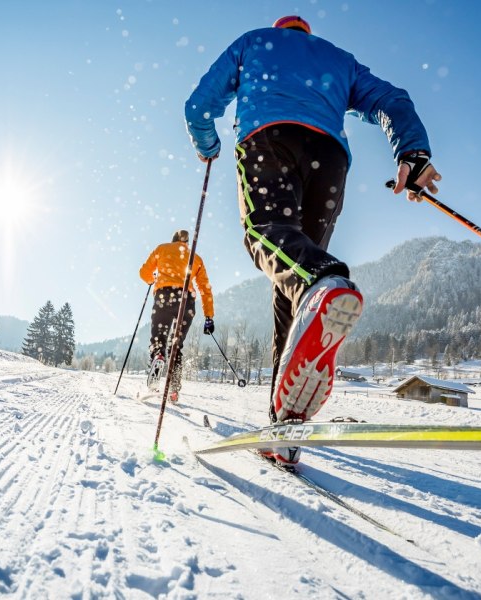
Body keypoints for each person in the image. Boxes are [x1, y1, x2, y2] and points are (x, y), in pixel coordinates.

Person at [185, 15, 442, 464]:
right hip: (329, 158)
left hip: (268, 139)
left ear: (281, 29)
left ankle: (324, 281)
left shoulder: (254, 43)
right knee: (296, 280)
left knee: (269, 237)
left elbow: (198, 106)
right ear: (307, 33)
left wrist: (207, 143)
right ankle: (284, 426)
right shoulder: (338, 60)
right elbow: (391, 99)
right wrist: (411, 151)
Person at [138, 229, 216, 402]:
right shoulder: (195, 257)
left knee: (159, 339)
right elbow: (205, 288)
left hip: (164, 297)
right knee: (176, 344)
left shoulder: (162, 249)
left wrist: (153, 279)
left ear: (172, 240)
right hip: (186, 301)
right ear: (186, 243)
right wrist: (209, 316)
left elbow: (144, 273)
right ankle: (174, 389)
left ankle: (158, 356)